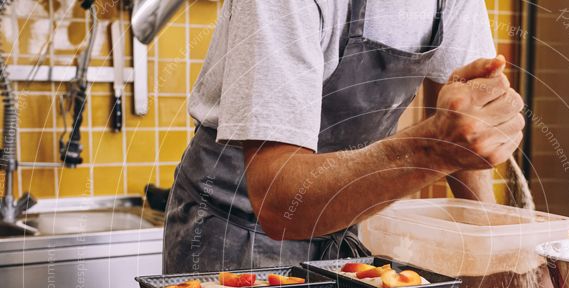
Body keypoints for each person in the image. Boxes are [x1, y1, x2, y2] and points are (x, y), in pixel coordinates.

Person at [163, 0, 525, 273]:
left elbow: (467, 115)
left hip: (340, 228)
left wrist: (499, 258)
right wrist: (430, 149)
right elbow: (277, 203)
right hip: (235, 232)